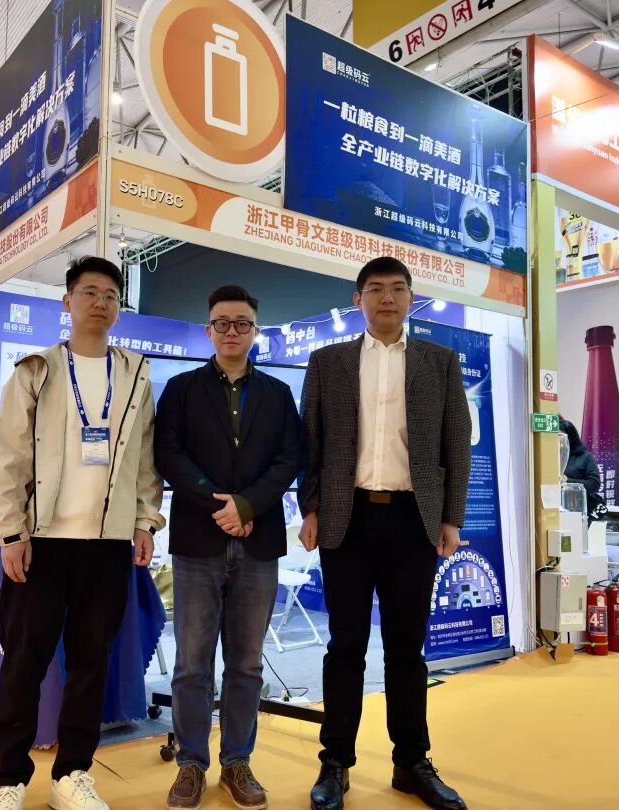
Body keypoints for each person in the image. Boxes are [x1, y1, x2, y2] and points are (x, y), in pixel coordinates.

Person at [0, 256, 165, 810]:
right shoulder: (36, 369)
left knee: (91, 665)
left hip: (107, 547)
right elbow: (9, 456)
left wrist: (144, 521)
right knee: (24, 663)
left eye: (110, 295)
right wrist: (10, 532)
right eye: (89, 292)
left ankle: (72, 775)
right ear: (67, 302)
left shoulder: (134, 374)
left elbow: (145, 459)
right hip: (42, 543)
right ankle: (9, 778)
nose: (100, 303)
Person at [299, 256, 472, 810]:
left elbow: (456, 444)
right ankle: (335, 762)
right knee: (345, 645)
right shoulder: (328, 362)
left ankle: (411, 762)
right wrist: (310, 508)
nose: (387, 298)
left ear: (411, 298)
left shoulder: (439, 362)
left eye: (398, 289)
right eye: (375, 289)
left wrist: (451, 518)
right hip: (345, 519)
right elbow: (310, 443)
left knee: (406, 648)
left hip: (412, 520)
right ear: (358, 300)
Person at [155, 286, 303, 810]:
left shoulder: (278, 394)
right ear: (209, 330)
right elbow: (168, 455)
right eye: (223, 323)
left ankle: (237, 761)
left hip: (258, 542)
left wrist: (249, 505)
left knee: (246, 664)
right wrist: (219, 504)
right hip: (197, 540)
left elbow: (290, 459)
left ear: (255, 330)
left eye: (242, 323)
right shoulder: (181, 389)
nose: (232, 331)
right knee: (192, 664)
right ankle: (191, 763)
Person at [559, 418, 606, 522]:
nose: (558, 442)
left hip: (578, 510)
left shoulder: (584, 457)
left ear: (570, 438)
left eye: (560, 437)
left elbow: (594, 484)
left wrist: (566, 481)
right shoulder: (549, 458)